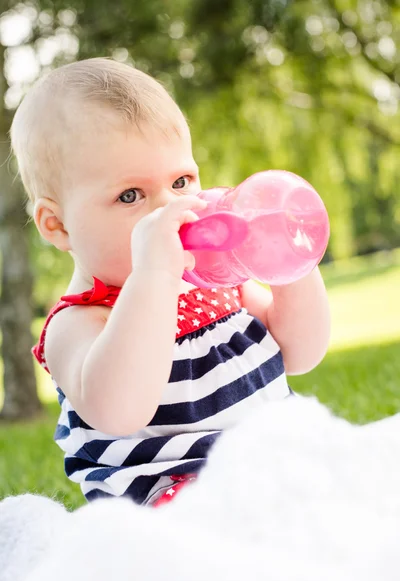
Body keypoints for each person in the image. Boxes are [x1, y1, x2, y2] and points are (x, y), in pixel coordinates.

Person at [10, 58, 331, 506]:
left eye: (181, 181)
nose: (169, 209)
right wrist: (154, 278)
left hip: (274, 464)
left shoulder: (214, 282)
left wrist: (290, 261)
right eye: (130, 195)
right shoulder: (79, 321)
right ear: (57, 225)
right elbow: (120, 410)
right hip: (177, 502)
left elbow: (300, 353)